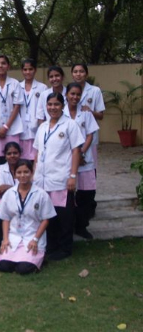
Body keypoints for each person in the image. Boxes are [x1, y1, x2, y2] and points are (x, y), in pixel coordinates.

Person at [34, 92, 84, 260]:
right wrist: (34, 174)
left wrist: (72, 176)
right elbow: (37, 152)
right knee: (48, 215)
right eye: (50, 105)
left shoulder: (70, 125)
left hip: (61, 177)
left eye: (56, 104)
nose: (53, 108)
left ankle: (65, 248)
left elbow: (76, 150)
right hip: (42, 179)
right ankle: (51, 246)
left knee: (64, 215)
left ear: (63, 106)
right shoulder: (42, 127)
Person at [0, 160, 57, 274]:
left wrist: (35, 239)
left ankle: (38, 259)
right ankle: (18, 258)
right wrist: (5, 239)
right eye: (19, 172)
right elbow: (5, 218)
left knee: (24, 269)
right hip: (13, 237)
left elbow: (46, 219)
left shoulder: (41, 194)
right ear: (15, 174)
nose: (22, 175)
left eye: (26, 172)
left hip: (32, 237)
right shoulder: (9, 194)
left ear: (32, 173)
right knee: (3, 266)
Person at [64, 82, 99, 239]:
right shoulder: (60, 113)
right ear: (66, 95)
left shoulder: (86, 113)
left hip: (85, 161)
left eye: (78, 94)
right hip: (67, 160)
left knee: (86, 195)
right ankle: (68, 226)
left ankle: (81, 226)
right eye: (72, 94)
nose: (75, 97)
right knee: (68, 196)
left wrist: (82, 153)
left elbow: (90, 134)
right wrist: (75, 156)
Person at [71, 63, 105, 169]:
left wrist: (90, 111)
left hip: (89, 136)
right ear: (72, 74)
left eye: (81, 71)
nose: (78, 74)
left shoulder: (95, 91)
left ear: (86, 74)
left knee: (90, 166)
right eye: (75, 72)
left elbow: (101, 115)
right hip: (72, 135)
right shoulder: (68, 91)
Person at [19, 59, 47, 161]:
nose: (28, 72)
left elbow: (44, 110)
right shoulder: (17, 86)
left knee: (35, 160)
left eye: (30, 69)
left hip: (35, 128)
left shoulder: (42, 88)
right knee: (22, 161)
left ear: (35, 70)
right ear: (22, 71)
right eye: (25, 69)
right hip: (20, 129)